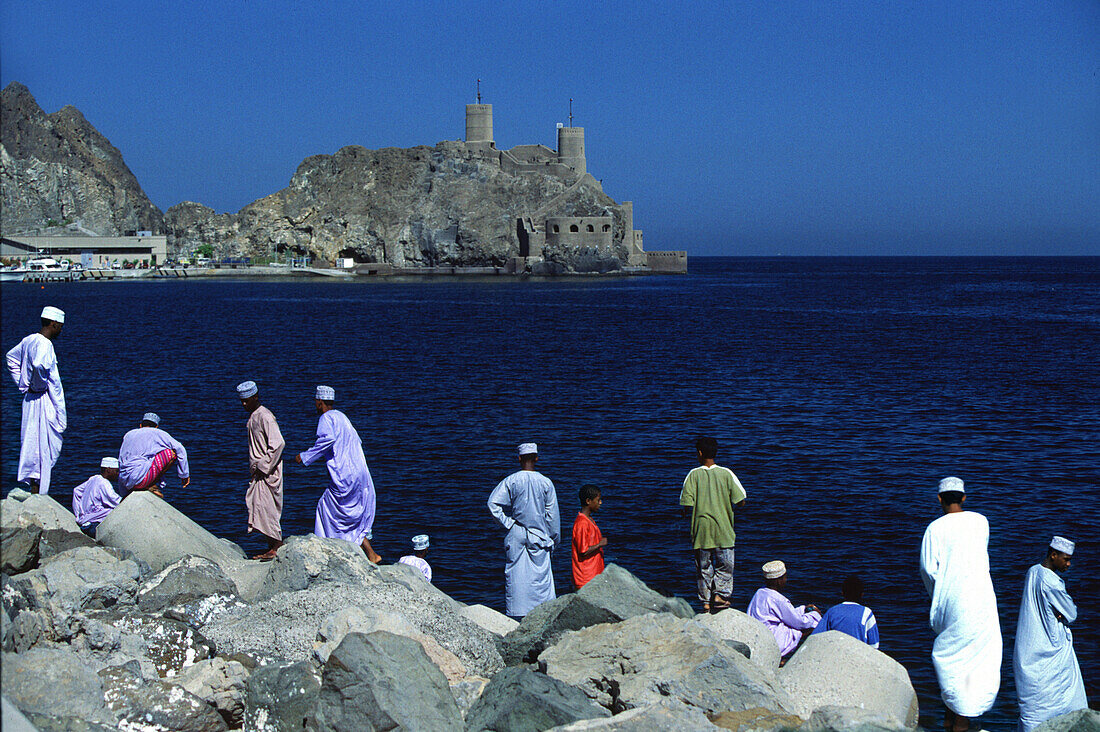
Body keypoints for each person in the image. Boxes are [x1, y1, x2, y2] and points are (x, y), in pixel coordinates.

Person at [919, 477, 1002, 732]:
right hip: (982, 600)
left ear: (939, 499)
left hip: (952, 600)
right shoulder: (981, 522)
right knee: (977, 660)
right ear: (964, 497)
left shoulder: (935, 528)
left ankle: (955, 721)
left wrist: (940, 595)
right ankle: (960, 719)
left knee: (952, 660)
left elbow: (928, 570)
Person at [295, 385, 380, 563]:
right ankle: (371, 554)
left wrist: (304, 456)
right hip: (360, 472)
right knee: (347, 513)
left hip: (345, 475)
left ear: (319, 403)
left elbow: (328, 440)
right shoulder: (342, 416)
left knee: (325, 508)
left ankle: (327, 550)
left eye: (316, 402)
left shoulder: (326, 418)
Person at [1013, 536, 1087, 732]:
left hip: (1030, 646)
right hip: (1050, 649)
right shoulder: (1052, 582)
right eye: (1066, 559)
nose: (1069, 564)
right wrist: (1062, 611)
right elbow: (1072, 613)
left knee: (1034, 705)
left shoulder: (1033, 571)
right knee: (1064, 698)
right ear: (1053, 555)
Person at [487, 442, 561, 618]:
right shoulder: (546, 482)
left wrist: (508, 523)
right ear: (536, 458)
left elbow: (493, 503)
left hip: (518, 531)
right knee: (541, 579)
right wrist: (554, 539)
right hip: (539, 534)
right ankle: (543, 614)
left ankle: (516, 615)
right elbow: (552, 517)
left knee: (516, 576)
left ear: (519, 458)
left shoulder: (512, 480)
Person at [679, 436, 746, 612]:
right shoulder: (726, 473)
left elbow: (686, 504)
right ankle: (720, 595)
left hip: (701, 531)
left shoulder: (693, 475)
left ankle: (706, 602)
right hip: (723, 529)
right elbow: (741, 500)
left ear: (699, 453)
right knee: (725, 565)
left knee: (703, 567)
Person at [5, 306, 67, 494]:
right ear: (54, 323)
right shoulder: (45, 344)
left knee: (33, 444)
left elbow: (11, 358)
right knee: (43, 446)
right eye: (60, 327)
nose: (61, 331)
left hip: (30, 399)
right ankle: (39, 491)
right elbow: (39, 364)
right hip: (42, 399)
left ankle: (35, 488)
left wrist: (23, 384)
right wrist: (38, 384)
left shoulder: (28, 340)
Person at [238, 381, 285, 561]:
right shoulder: (253, 417)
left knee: (268, 508)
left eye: (247, 401)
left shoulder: (264, 416)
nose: (244, 404)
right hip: (259, 472)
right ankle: (271, 546)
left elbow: (278, 443)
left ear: (255, 397)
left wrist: (263, 466)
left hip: (268, 471)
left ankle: (276, 546)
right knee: (259, 507)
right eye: (242, 401)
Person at [747, 560, 821, 661]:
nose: (786, 580)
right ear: (779, 580)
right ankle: (782, 656)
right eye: (785, 577)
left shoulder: (760, 592)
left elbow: (786, 614)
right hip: (771, 639)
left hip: (757, 635)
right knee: (811, 625)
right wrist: (815, 614)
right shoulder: (778, 599)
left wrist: (803, 609)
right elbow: (799, 623)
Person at [118, 413, 190, 497]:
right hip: (140, 481)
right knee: (171, 453)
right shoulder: (157, 433)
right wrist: (184, 475)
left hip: (125, 481)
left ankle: (145, 483)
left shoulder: (128, 434)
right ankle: (151, 484)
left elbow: (121, 459)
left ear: (141, 425)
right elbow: (180, 449)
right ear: (156, 427)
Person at [812, 574, 880, 649]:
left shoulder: (832, 611)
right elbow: (874, 644)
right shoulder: (867, 613)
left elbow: (817, 636)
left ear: (842, 593)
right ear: (862, 595)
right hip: (858, 655)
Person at [72, 457, 123, 532]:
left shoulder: (94, 478)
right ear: (108, 470)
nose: (118, 474)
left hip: (84, 520)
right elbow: (116, 502)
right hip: (94, 524)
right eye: (116, 471)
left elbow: (76, 491)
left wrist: (78, 514)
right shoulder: (104, 483)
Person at [572, 484, 607, 589]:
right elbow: (583, 551)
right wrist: (600, 544)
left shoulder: (589, 520)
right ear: (588, 501)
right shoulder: (582, 523)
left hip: (594, 576)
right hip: (586, 579)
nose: (600, 503)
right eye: (598, 500)